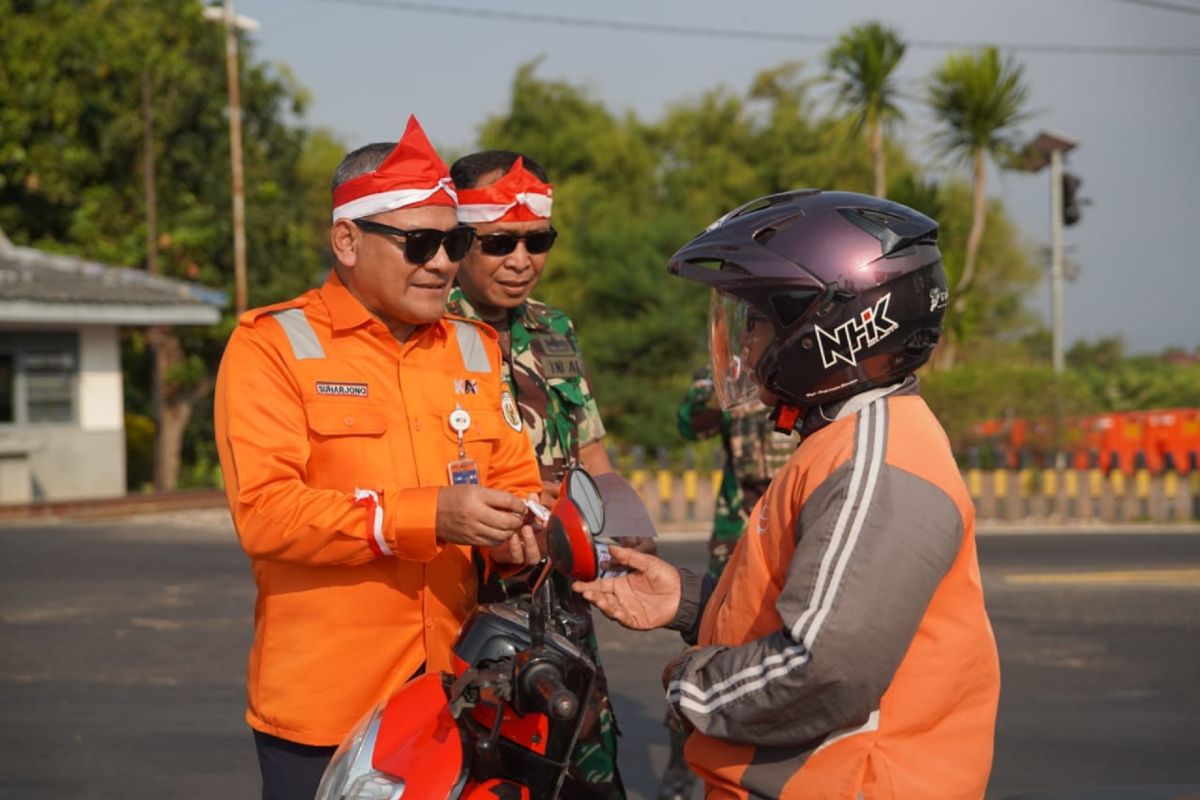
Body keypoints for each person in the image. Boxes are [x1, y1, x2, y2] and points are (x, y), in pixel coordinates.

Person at [575, 190, 1001, 800]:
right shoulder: (843, 437)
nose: (745, 345)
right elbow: (812, 604)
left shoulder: (874, 462)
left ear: (833, 326)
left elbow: (824, 668)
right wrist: (694, 605)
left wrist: (689, 685)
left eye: (760, 321)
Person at [213, 117, 544, 800]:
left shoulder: (474, 347)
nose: (444, 264)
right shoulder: (272, 347)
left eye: (453, 242)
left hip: (457, 688)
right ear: (346, 240)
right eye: (419, 243)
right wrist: (429, 518)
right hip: (327, 705)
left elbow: (517, 478)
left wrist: (524, 531)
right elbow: (266, 514)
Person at [447, 150, 643, 799]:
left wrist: (624, 527)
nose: (521, 260)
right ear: (459, 238)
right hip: (470, 607)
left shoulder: (553, 328)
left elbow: (593, 455)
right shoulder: (428, 331)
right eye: (499, 242)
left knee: (583, 772)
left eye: (538, 241)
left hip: (563, 603)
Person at [659, 370, 796, 800]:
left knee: (790, 650)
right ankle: (683, 766)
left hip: (798, 524)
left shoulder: (810, 365)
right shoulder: (726, 374)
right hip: (736, 530)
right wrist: (727, 390)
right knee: (710, 651)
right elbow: (689, 424)